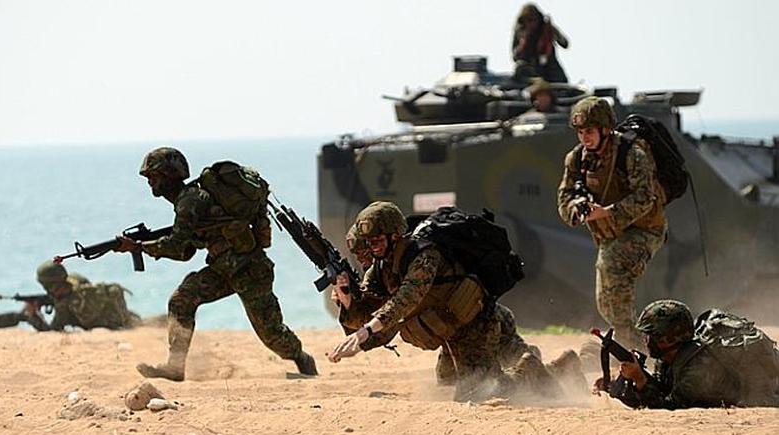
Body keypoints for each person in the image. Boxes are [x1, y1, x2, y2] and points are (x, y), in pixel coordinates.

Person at [328, 201, 579, 400]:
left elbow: (406, 300)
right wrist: (347, 299)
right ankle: (562, 367)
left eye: (377, 241)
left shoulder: (424, 254)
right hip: (454, 332)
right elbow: (373, 316)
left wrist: (363, 333)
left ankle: (528, 366)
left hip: (479, 324)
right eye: (368, 243)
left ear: (395, 235)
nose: (372, 249)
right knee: (448, 384)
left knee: (481, 393)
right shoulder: (382, 268)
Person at [114, 147, 317, 381]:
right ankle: (175, 366)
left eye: (154, 176)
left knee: (272, 335)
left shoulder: (189, 201)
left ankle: (303, 360)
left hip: (250, 269)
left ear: (169, 174)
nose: (150, 182)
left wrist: (139, 247)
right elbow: (187, 252)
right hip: (224, 269)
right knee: (182, 299)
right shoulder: (187, 200)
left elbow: (177, 245)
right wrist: (146, 243)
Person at [557, 97, 666, 349]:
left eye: (590, 131)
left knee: (613, 271)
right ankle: (640, 345)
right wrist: (577, 209)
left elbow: (645, 197)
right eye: (581, 132)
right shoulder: (576, 159)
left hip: (644, 230)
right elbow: (564, 197)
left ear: (605, 129)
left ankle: (638, 349)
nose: (585, 138)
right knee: (605, 301)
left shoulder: (631, 154)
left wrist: (606, 212)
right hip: (611, 235)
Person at [600, 300, 779, 409]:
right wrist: (623, 383)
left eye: (651, 335)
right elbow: (662, 389)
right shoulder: (669, 359)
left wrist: (640, 379)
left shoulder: (698, 367)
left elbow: (669, 406)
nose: (646, 341)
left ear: (667, 339)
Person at [28, 262, 140, 332]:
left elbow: (53, 330)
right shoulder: (76, 279)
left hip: (112, 326)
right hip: (124, 317)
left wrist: (33, 316)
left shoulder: (65, 304)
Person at [511, 3, 569, 83]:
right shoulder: (520, 32)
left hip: (549, 65)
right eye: (528, 20)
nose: (531, 23)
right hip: (531, 68)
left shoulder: (546, 28)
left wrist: (554, 33)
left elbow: (565, 44)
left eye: (533, 19)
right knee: (520, 68)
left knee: (561, 81)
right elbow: (515, 56)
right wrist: (523, 43)